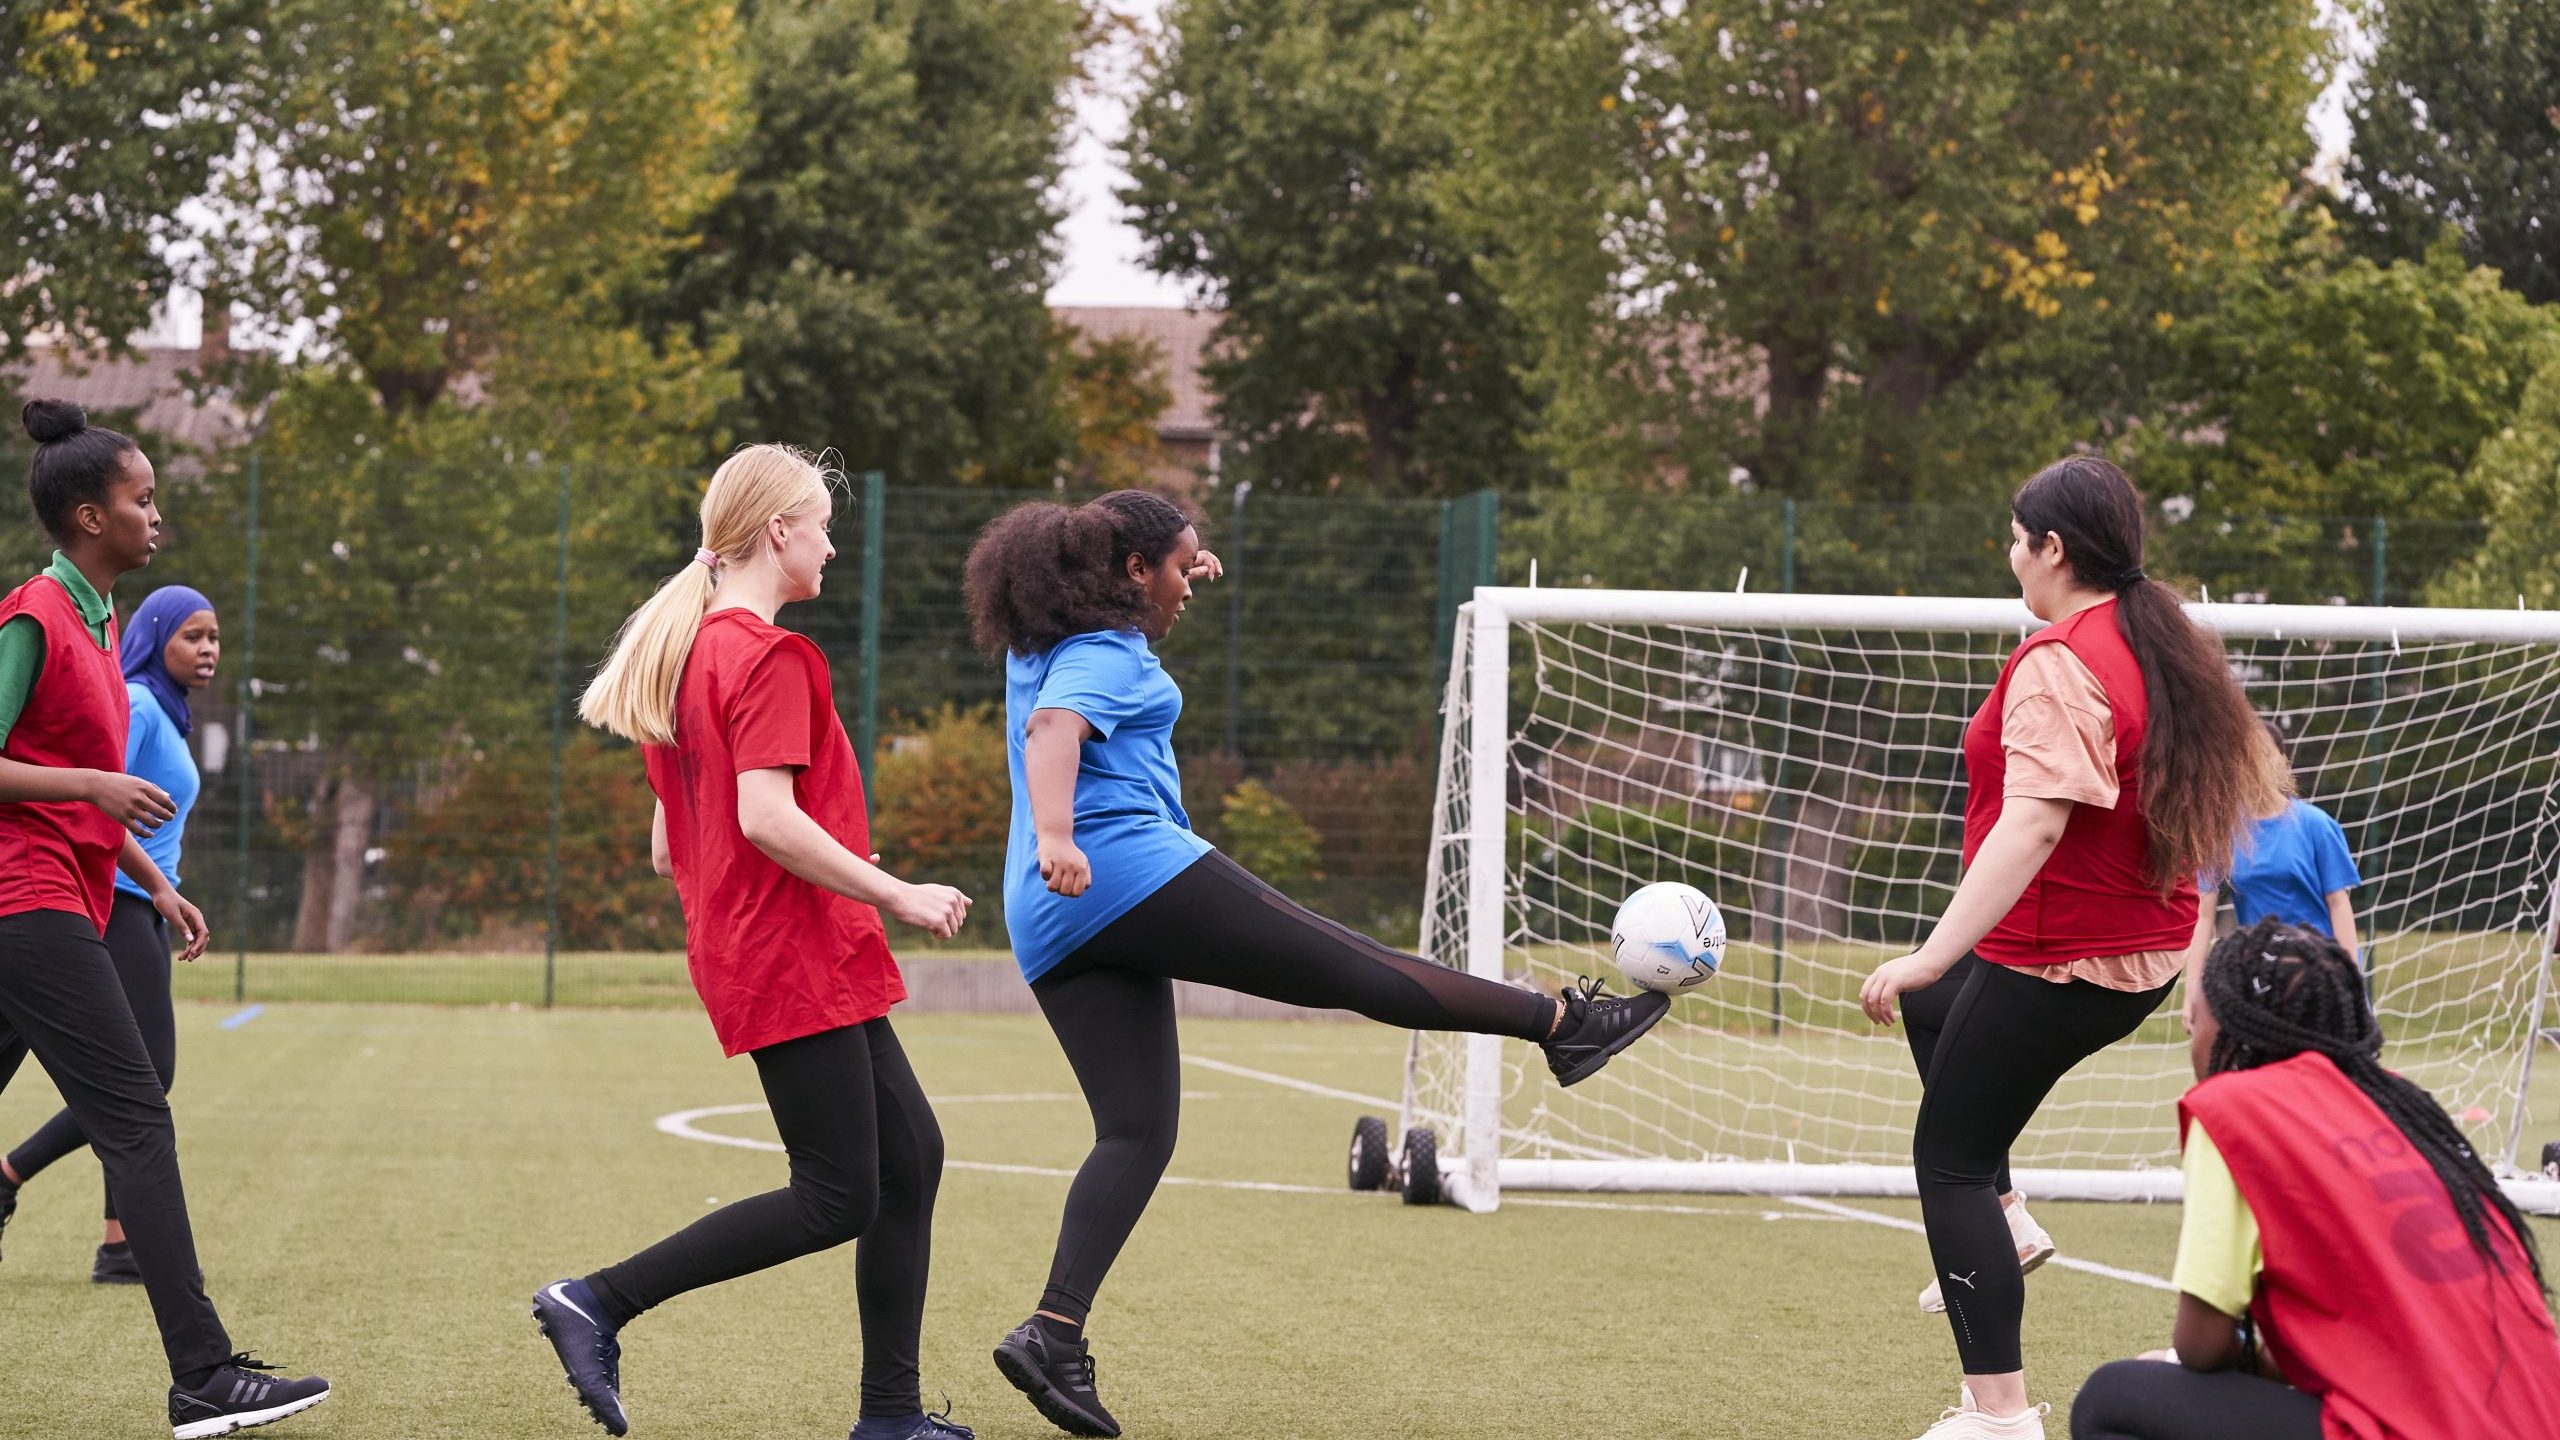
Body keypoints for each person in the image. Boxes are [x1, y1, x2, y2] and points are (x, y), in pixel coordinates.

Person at [963, 489, 1673, 1439]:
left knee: (1136, 1131)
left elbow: (1064, 679)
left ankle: (1053, 1332)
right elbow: (1056, 734)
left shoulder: (1047, 636)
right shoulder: (1103, 653)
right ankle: (1565, 1025)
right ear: (1130, 572)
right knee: (1359, 968)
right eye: (1179, 566)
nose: (1192, 580)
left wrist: (1174, 567)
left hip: (1049, 919)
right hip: (1124, 869)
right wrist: (1060, 830)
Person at [534, 444, 974, 1440]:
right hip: (791, 951)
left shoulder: (689, 653)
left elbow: (667, 843)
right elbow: (766, 820)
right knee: (835, 1196)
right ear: (778, 532)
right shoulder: (768, 655)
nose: (829, 543)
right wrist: (897, 891)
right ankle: (597, 1301)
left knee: (911, 1161)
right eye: (821, 524)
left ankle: (892, 1418)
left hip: (779, 947)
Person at [1857, 456, 2291, 1440]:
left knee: (1949, 1157)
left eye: (2016, 539)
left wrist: (1927, 952)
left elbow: (2035, 826)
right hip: (2128, 949)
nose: (2010, 557)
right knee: (1937, 1019)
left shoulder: (2061, 660)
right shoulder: (2158, 637)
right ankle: (2008, 1217)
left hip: (2065, 957)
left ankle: (1997, 1415)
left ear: (2053, 549)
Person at [0, 400, 329, 1437]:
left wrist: (154, 872)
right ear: (91, 515)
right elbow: (57, 778)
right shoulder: (33, 618)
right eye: (144, 502)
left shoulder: (99, 625)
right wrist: (95, 787)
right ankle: (203, 1375)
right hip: (26, 896)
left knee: (133, 1112)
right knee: (138, 1115)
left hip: (70, 886)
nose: (158, 517)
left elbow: (91, 790)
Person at [2071, 919, 2560, 1439]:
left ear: (2231, 1025)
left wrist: (2209, 1360)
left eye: (2201, 1009)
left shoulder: (2236, 1107)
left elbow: (2202, 1346)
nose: (2192, 1023)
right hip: (2535, 1415)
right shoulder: (2399, 1104)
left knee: (2113, 1400)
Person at [1, 583, 219, 1285]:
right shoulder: (139, 703)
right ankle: (15, 1176)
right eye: (192, 635)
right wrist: (148, 884)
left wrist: (166, 890)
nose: (208, 649)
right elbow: (88, 788)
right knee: (141, 1082)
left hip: (138, 900)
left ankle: (118, 1242)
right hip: (97, 897)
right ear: (155, 638)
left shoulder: (168, 710)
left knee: (134, 1082)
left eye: (215, 636)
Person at [2183, 721, 2362, 1027]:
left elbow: (2339, 904)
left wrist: (2350, 978)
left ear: (2283, 762)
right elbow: (2204, 915)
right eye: (2244, 754)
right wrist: (2192, 991)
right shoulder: (2224, 833)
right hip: (2258, 978)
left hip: (2318, 973)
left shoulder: (2315, 825)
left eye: (2263, 753)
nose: (2253, 763)